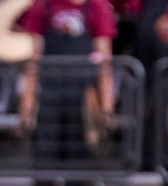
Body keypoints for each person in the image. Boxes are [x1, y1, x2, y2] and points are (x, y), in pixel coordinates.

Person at [18, 0, 117, 166]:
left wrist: (107, 106)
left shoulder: (97, 7)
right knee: (45, 161)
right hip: (50, 94)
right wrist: (27, 103)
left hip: (82, 96)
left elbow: (105, 61)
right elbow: (33, 60)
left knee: (79, 162)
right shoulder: (44, 6)